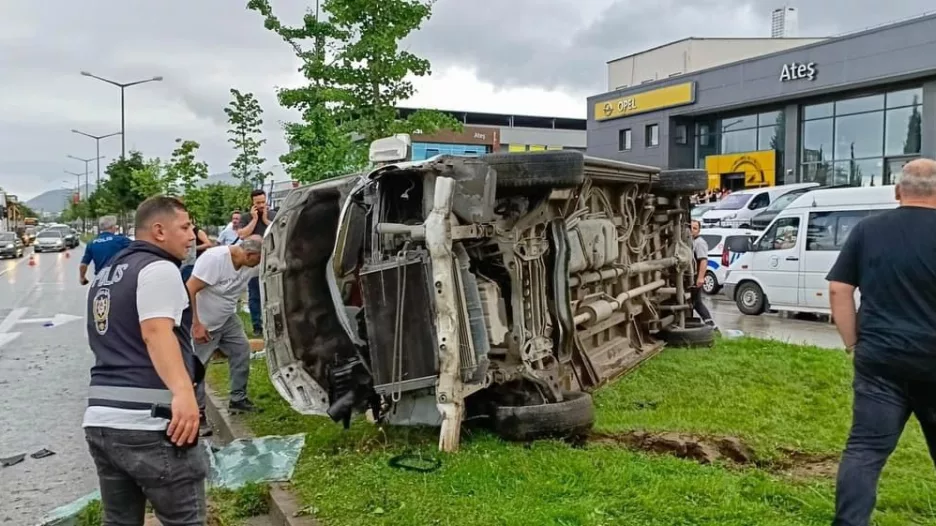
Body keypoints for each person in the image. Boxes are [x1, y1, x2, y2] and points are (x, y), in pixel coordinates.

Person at [83, 196, 206, 525]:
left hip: (102, 420)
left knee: (120, 521)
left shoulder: (108, 272)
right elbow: (155, 331)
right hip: (150, 423)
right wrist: (183, 392)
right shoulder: (159, 269)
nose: (192, 235)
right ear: (159, 231)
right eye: (185, 226)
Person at [827, 158, 936, 526]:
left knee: (865, 451)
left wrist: (852, 342)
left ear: (898, 190)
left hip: (880, 363)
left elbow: (839, 289)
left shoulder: (868, 230)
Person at [186, 237, 264, 435]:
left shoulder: (249, 263)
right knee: (198, 368)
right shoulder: (215, 260)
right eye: (258, 259)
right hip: (205, 321)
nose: (260, 263)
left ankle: (238, 399)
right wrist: (196, 323)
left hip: (227, 318)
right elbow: (190, 288)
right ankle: (198, 413)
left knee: (241, 350)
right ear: (249, 255)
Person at [237, 189, 275, 336]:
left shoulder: (272, 215)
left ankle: (271, 324)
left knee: (271, 293)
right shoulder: (246, 217)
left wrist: (265, 220)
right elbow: (242, 234)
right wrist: (254, 220)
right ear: (252, 203)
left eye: (262, 202)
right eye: (257, 203)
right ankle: (257, 325)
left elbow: (278, 230)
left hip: (271, 257)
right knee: (254, 294)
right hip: (254, 260)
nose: (260, 205)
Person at [79, 215, 131, 285]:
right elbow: (138, 248)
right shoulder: (121, 240)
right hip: (118, 279)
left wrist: (82, 277)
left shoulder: (91, 243)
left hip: (100, 281)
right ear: (112, 227)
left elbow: (83, 264)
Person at [690, 220, 716, 328]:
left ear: (699, 231)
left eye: (695, 228)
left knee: (696, 302)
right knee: (694, 302)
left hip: (696, 277)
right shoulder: (690, 241)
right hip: (691, 276)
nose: (692, 230)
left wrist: (700, 278)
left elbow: (703, 261)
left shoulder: (699, 242)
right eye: (691, 227)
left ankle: (712, 326)